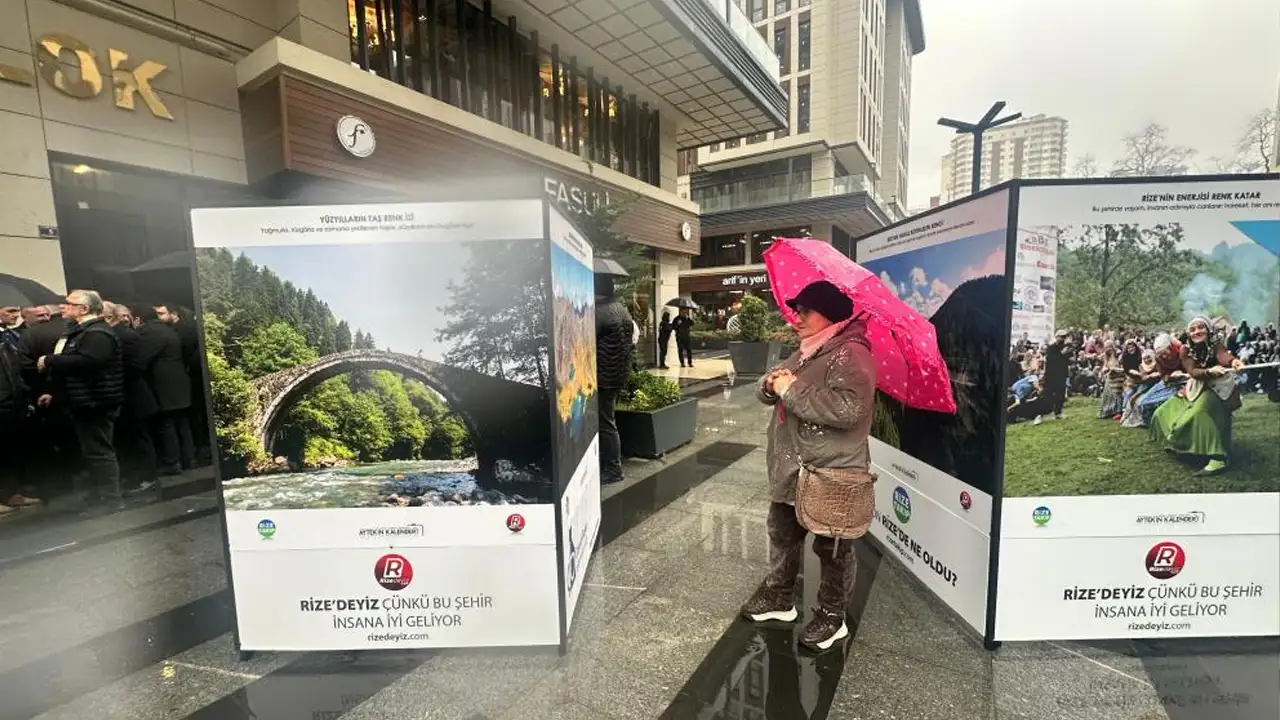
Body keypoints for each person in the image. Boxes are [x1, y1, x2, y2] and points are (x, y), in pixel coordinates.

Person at [742, 280, 877, 653]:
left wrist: (791, 390)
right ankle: (779, 598)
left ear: (828, 313)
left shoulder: (851, 354)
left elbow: (850, 410)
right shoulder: (809, 350)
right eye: (795, 310)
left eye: (804, 310)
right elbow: (767, 386)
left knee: (833, 548)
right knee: (782, 531)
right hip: (795, 468)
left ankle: (832, 618)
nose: (795, 318)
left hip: (833, 472)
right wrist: (771, 386)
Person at [38, 290, 125, 505]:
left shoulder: (97, 333)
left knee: (100, 451)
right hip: (85, 400)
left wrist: (49, 360)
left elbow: (88, 362)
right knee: (93, 451)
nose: (63, 307)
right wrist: (56, 393)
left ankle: (111, 500)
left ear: (84, 309)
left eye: (68, 303)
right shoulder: (81, 331)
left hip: (96, 401)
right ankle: (101, 496)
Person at [1150, 316, 1244, 475]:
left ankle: (1219, 458)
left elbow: (1222, 355)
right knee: (1163, 412)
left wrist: (1233, 361)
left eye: (1201, 328)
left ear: (1208, 329)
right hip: (1196, 386)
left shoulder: (1216, 342)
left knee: (1200, 413)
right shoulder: (1185, 349)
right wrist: (1208, 371)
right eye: (1192, 329)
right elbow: (1192, 371)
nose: (1197, 332)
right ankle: (1179, 445)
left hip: (1219, 387)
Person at [137, 306, 195, 475]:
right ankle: (189, 458)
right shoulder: (168, 330)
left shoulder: (152, 332)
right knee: (182, 423)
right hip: (180, 381)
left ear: (138, 319)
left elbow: (142, 359)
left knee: (166, 423)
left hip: (164, 384)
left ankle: (172, 462)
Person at [595, 276, 633, 485]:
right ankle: (609, 465)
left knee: (606, 423)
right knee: (608, 420)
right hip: (618, 373)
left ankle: (613, 469)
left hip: (603, 376)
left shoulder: (598, 312)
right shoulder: (621, 308)